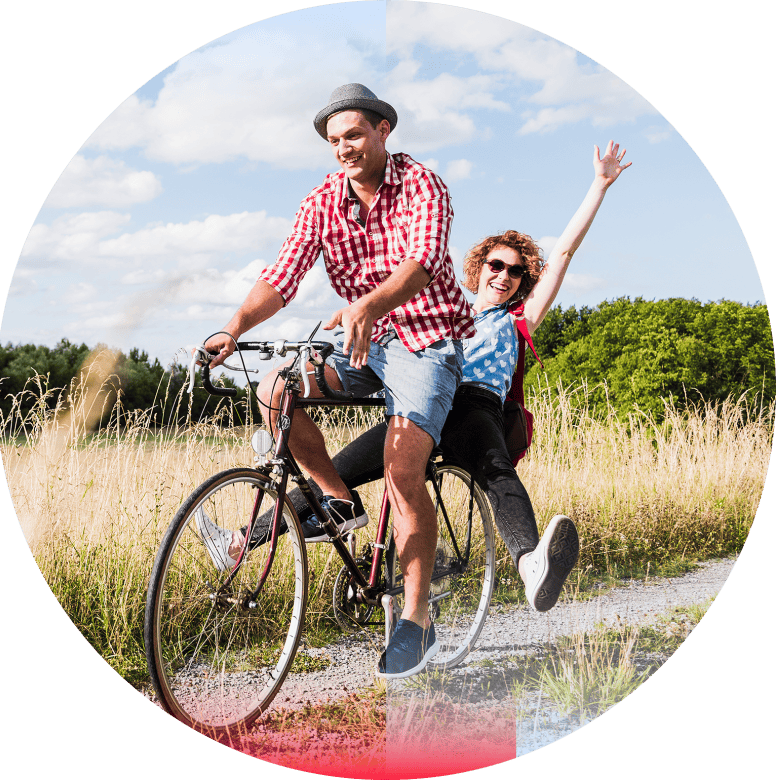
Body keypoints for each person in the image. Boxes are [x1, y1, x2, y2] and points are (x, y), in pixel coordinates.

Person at [266, 140, 632, 649]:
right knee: (335, 476)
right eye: (496, 266)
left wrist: (599, 186)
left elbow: (564, 253)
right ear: (479, 268)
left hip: (473, 405)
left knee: (493, 468)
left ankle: (531, 563)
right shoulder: (445, 308)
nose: (504, 276)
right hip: (421, 399)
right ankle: (247, 538)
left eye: (516, 271)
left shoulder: (518, 319)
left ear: (524, 280)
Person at [199, 83, 475, 679]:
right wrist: (233, 326)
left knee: (403, 472)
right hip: (360, 341)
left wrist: (368, 305)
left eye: (354, 134)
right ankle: (339, 500)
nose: (344, 148)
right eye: (334, 141)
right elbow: (283, 274)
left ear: (382, 131)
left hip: (425, 340)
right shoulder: (322, 200)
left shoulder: (422, 184)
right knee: (274, 388)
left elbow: (423, 262)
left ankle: (417, 618)